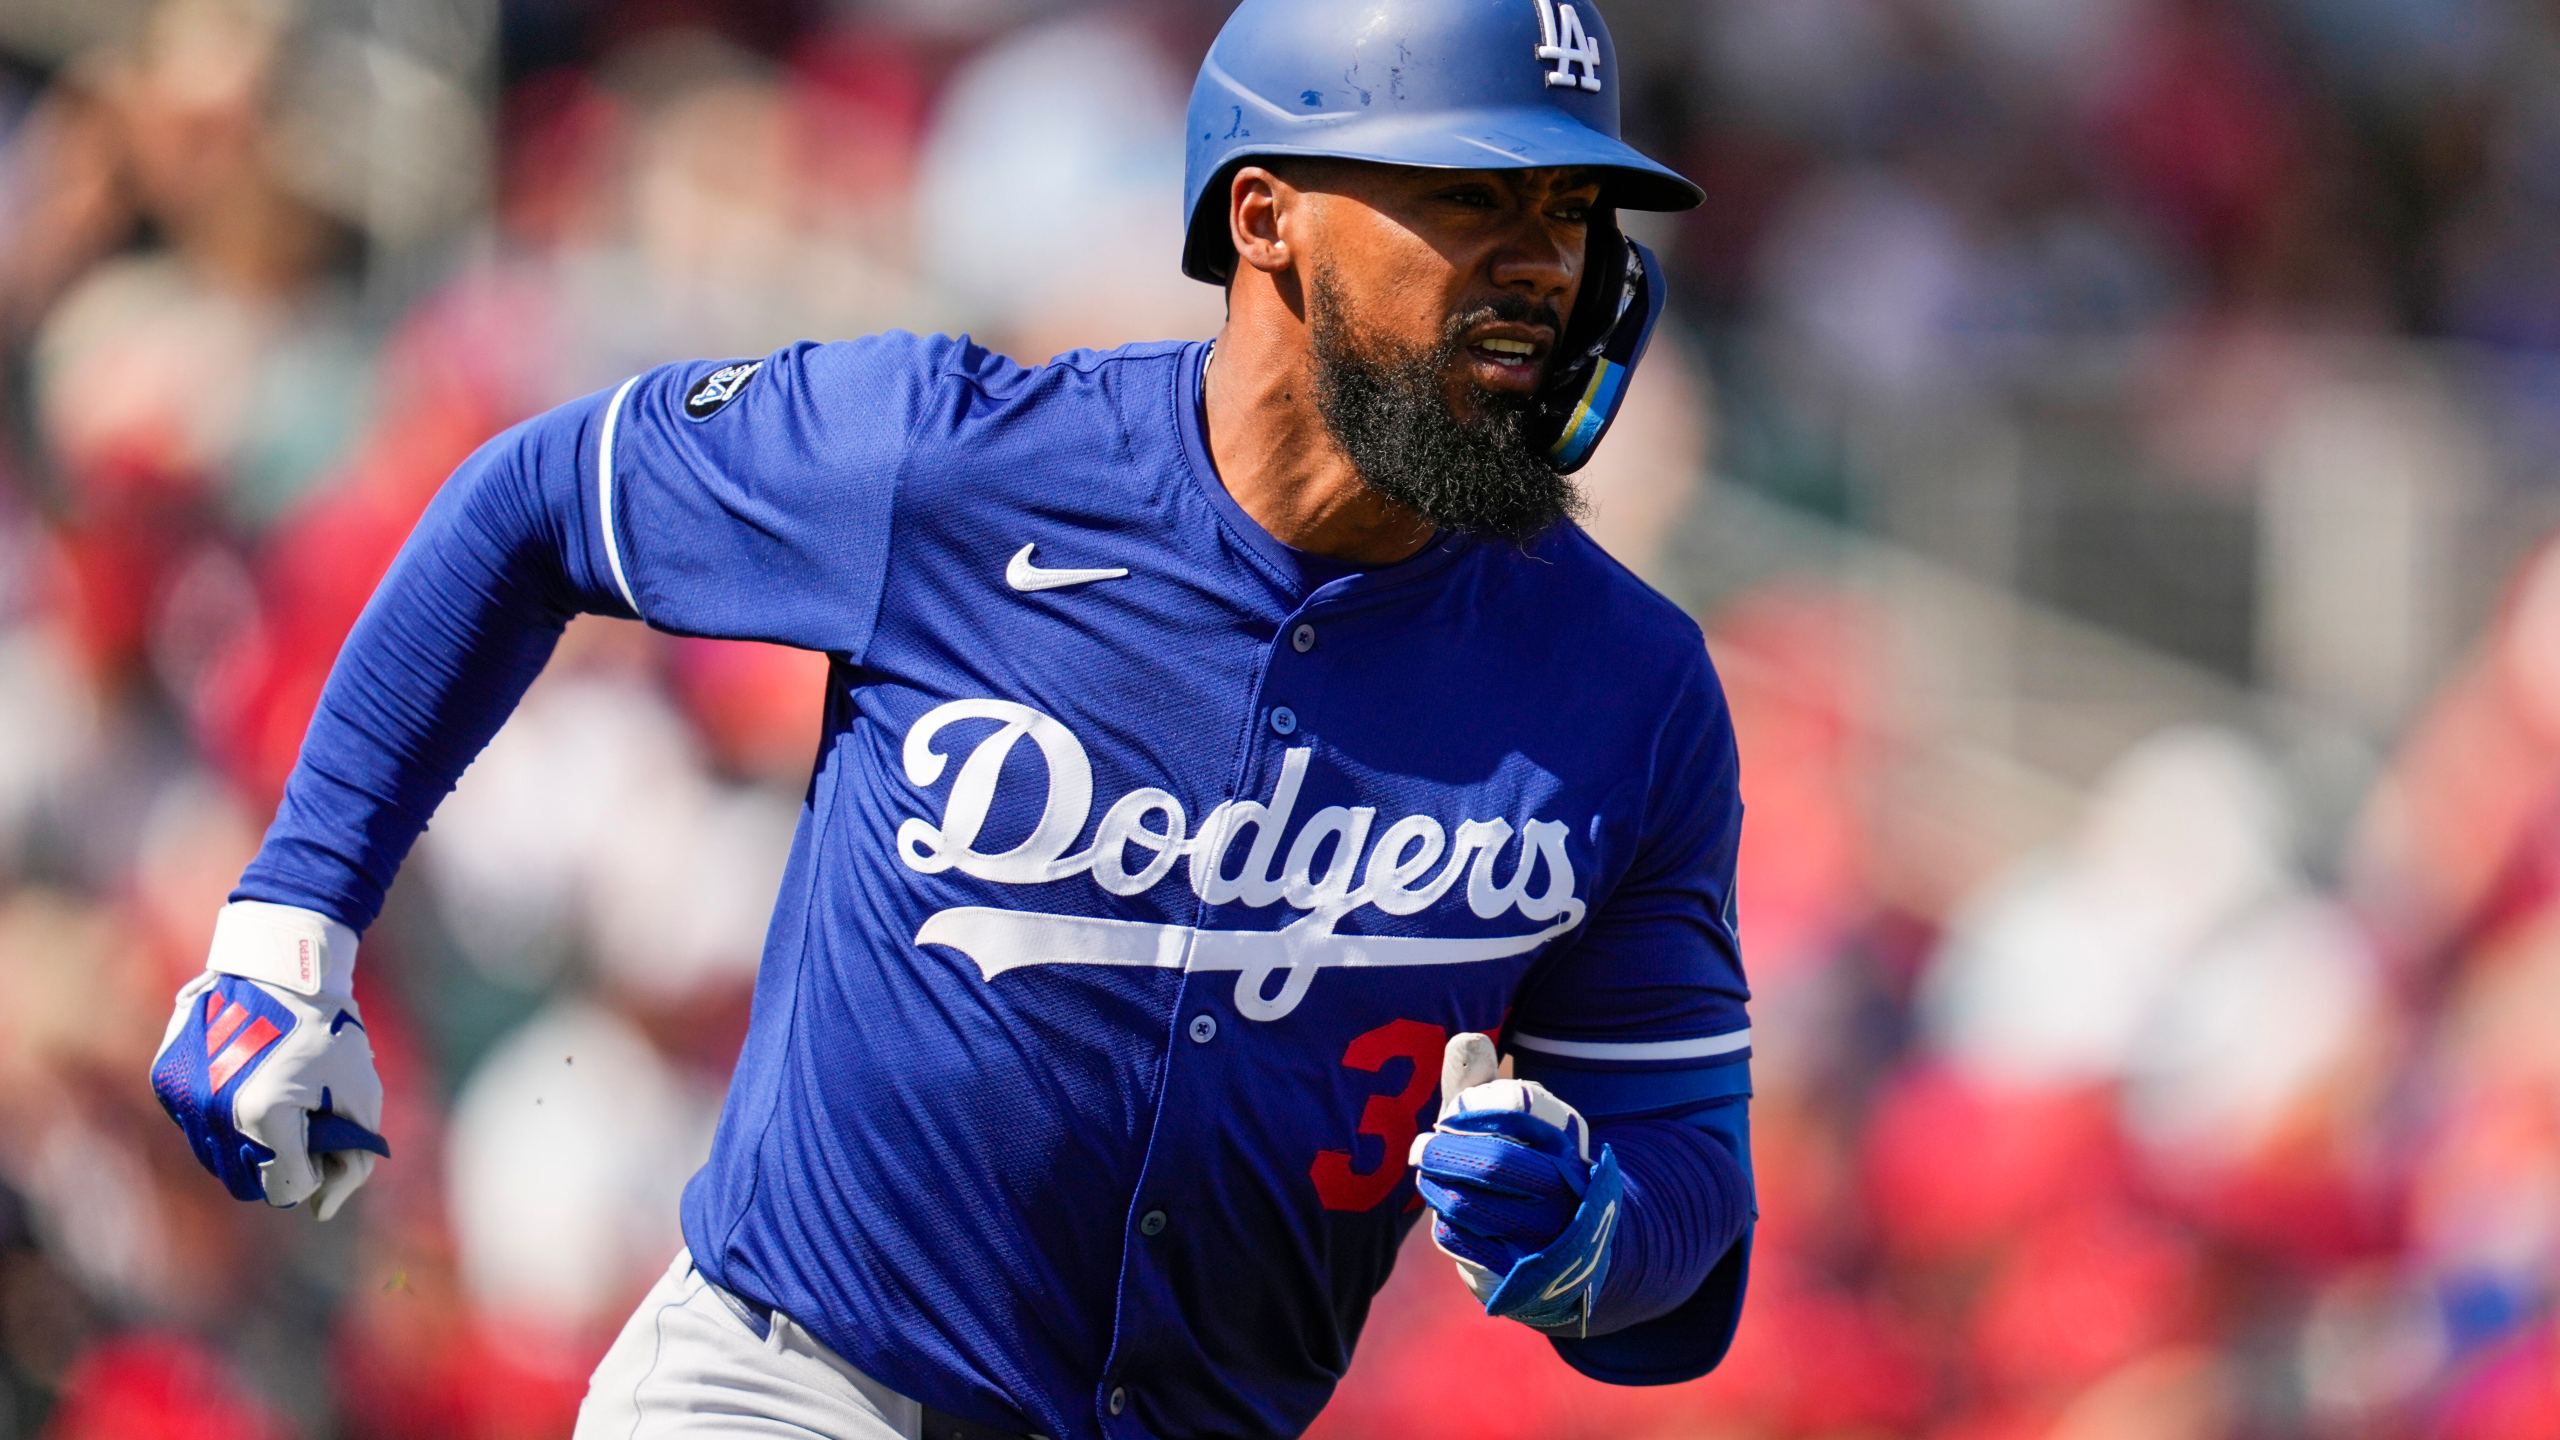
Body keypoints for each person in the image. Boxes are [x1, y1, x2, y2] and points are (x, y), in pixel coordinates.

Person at [148, 1, 1758, 1435]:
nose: (1545, 263)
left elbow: (1689, 1241)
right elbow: (535, 503)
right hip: (790, 1384)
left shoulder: (1633, 687)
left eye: (1573, 208)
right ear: (1267, 215)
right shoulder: (950, 462)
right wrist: (290, 920)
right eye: (1473, 195)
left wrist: (1593, 1239)